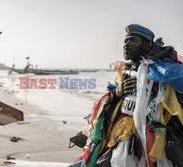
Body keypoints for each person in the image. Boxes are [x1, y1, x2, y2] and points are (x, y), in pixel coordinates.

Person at [70, 24, 183, 167]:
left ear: (146, 45)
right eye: (125, 41)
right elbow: (112, 99)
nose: (126, 44)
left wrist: (165, 60)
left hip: (151, 138)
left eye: (132, 40)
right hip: (121, 133)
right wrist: (118, 92)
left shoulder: (160, 67)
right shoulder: (127, 69)